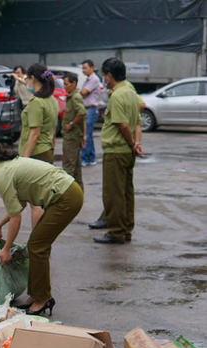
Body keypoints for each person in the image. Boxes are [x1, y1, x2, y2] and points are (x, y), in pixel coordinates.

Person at [0, 139, 83, 315]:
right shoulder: (5, 167)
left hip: (66, 197)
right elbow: (20, 203)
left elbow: (16, 217)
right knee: (36, 246)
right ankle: (37, 295)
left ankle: (42, 298)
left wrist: (5, 249)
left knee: (37, 246)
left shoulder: (2, 176)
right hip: (65, 194)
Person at [91, 58, 143, 245]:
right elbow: (137, 121)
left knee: (114, 194)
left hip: (116, 151)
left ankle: (117, 232)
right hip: (127, 152)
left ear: (109, 76)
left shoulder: (118, 95)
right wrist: (136, 143)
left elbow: (123, 125)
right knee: (127, 192)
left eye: (105, 74)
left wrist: (131, 143)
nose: (104, 78)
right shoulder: (130, 92)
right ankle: (126, 229)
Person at [18, 63, 59, 228]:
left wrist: (24, 159)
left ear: (33, 78)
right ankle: (42, 241)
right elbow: (54, 130)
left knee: (36, 202)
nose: (26, 82)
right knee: (41, 199)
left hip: (35, 154)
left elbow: (34, 133)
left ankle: (37, 242)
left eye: (27, 78)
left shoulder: (37, 102)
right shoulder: (52, 100)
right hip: (46, 151)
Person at [61, 73, 87, 190]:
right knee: (76, 168)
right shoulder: (73, 96)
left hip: (71, 137)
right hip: (74, 136)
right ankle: (78, 192)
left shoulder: (75, 97)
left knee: (68, 167)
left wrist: (71, 124)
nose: (65, 87)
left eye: (66, 84)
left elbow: (82, 113)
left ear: (74, 84)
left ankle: (68, 193)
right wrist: (83, 136)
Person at [80, 60, 102, 167]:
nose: (83, 70)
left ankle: (83, 159)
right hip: (88, 109)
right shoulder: (88, 79)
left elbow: (83, 93)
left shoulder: (94, 79)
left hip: (91, 109)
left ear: (92, 68)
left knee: (86, 135)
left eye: (85, 68)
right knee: (88, 135)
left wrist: (82, 93)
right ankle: (91, 158)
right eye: (83, 68)